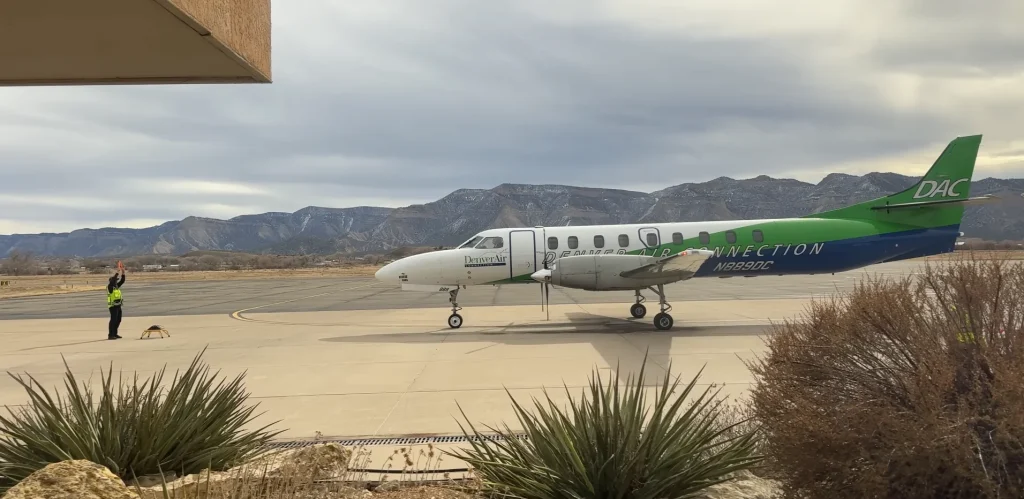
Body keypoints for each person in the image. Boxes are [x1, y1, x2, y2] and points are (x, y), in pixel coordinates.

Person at [107, 269, 126, 339]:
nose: (116, 281)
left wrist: (123, 273)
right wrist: (117, 273)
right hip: (112, 306)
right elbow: (112, 281)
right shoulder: (110, 287)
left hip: (118, 305)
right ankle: (110, 335)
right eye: (115, 280)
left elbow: (122, 281)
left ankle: (115, 333)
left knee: (118, 320)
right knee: (113, 320)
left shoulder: (116, 287)